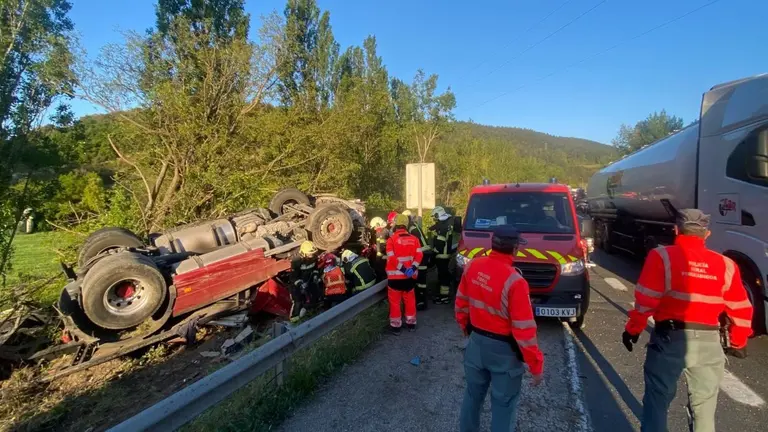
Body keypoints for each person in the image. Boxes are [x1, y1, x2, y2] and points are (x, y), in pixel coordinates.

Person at [622, 209, 754, 432]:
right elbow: (741, 308)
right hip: (709, 342)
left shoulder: (661, 256)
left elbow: (646, 301)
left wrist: (633, 330)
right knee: (704, 407)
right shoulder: (726, 264)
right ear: (707, 234)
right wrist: (738, 341)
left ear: (676, 230)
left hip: (669, 340)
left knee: (658, 400)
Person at [455, 225, 544, 432]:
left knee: (472, 396)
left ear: (492, 244)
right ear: (515, 249)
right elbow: (524, 331)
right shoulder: (516, 282)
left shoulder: (473, 266)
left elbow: (461, 304)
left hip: (476, 343)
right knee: (504, 406)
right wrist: (536, 365)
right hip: (504, 353)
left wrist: (467, 330)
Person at [385, 213, 423, 334]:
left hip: (395, 279)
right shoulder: (415, 239)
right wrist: (412, 268)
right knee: (410, 301)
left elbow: (391, 258)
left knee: (395, 303)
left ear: (395, 225)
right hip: (409, 277)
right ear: (406, 225)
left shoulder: (391, 240)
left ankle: (396, 327)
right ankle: (411, 323)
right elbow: (419, 255)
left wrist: (402, 269)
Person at [404, 210, 433, 310]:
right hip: (424, 254)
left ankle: (421, 302)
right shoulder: (414, 226)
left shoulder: (411, 229)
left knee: (420, 280)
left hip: (421, 255)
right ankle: (422, 301)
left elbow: (411, 245)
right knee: (421, 279)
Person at [289, 241, 322, 323]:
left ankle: (312, 315)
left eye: (313, 253)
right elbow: (293, 277)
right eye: (309, 254)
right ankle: (294, 320)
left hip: (309, 281)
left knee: (315, 296)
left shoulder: (313, 258)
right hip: (297, 285)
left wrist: (315, 275)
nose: (312, 256)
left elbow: (315, 269)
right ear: (303, 253)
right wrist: (300, 283)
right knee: (298, 301)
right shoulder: (296, 261)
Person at [430, 206, 456, 304]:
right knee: (443, 276)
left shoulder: (442, 227)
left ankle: (444, 297)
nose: (434, 219)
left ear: (438, 215)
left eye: (434, 216)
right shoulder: (445, 224)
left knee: (443, 276)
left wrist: (434, 251)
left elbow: (440, 243)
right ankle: (442, 295)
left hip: (442, 255)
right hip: (444, 255)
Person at [369, 216, 389, 281]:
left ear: (378, 224)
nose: (374, 229)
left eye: (374, 227)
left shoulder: (383, 232)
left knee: (382, 272)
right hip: (381, 257)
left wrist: (380, 253)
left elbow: (382, 245)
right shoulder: (380, 232)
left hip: (383, 257)